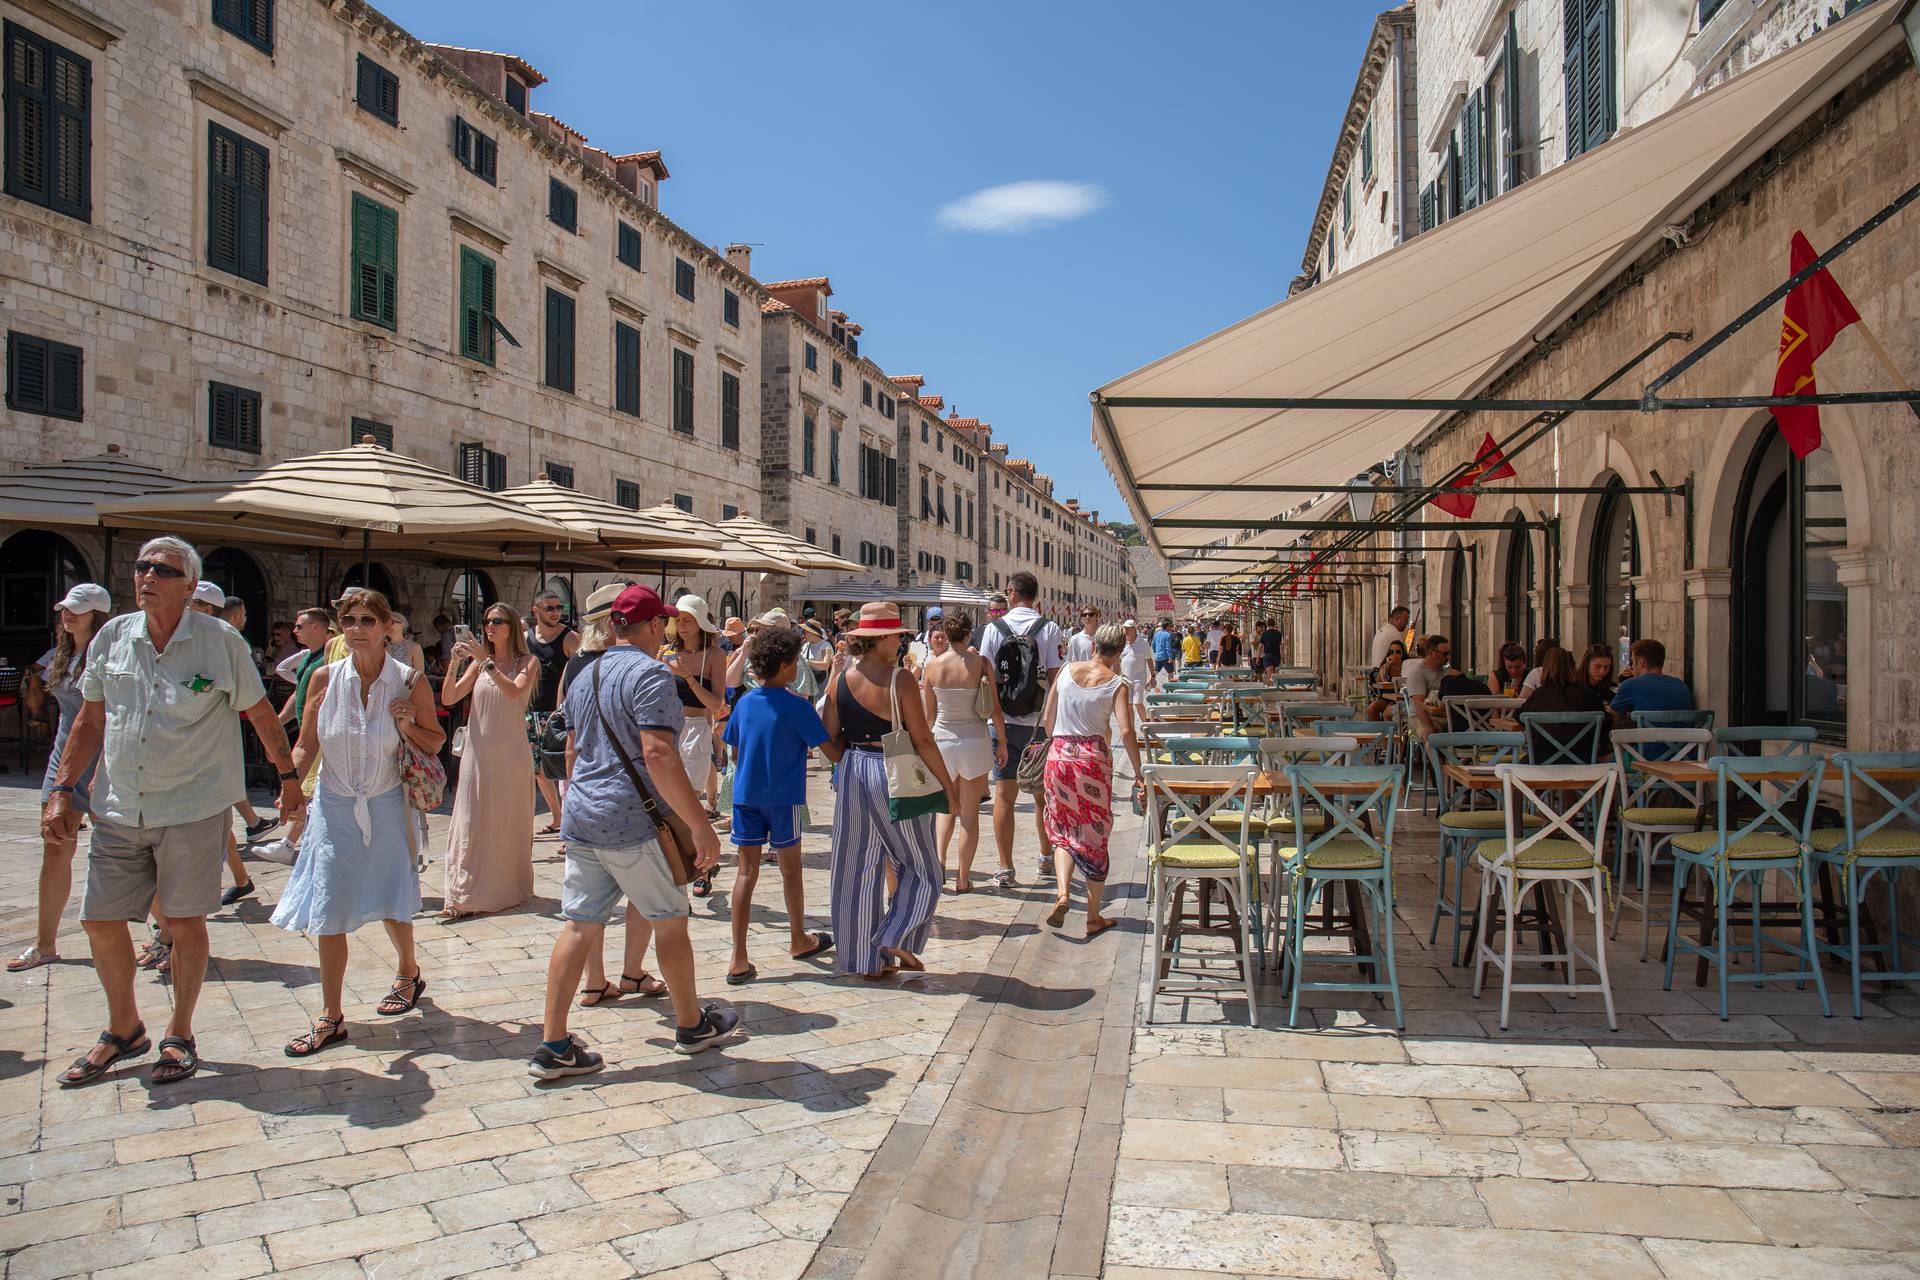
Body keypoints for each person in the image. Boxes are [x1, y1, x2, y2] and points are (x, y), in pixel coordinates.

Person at [45, 537, 304, 1087]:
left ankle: (179, 1032)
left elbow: (260, 713)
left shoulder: (219, 642)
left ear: (190, 587)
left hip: (191, 804)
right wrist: (63, 789)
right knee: (99, 920)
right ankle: (124, 1028)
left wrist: (288, 781)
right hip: (119, 805)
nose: (147, 576)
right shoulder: (113, 637)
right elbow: (91, 720)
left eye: (162, 570)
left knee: (184, 922)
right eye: (142, 567)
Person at [535, 586, 740, 1078]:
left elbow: (577, 746)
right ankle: (691, 1024)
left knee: (579, 923)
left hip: (583, 813)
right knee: (670, 917)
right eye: (663, 624)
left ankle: (554, 1043)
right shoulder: (651, 675)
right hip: (633, 819)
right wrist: (699, 825)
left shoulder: (587, 673)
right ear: (652, 627)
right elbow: (659, 755)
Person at [273, 588, 444, 1057]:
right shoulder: (324, 679)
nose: (357, 629)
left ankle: (408, 971)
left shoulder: (409, 681)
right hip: (334, 805)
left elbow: (435, 740)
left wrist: (408, 725)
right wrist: (292, 783)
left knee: (391, 896)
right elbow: (307, 742)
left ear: (387, 627)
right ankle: (330, 1016)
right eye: (349, 620)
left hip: (387, 802)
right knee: (330, 907)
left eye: (368, 620)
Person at [822, 603, 955, 979]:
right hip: (893, 770)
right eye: (896, 635)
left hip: (852, 770)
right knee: (922, 865)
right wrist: (948, 787)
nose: (900, 641)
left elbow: (828, 736)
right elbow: (923, 740)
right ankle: (896, 935)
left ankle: (865, 961)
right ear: (880, 639)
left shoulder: (840, 680)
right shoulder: (900, 680)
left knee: (855, 867)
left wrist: (848, 762)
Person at [722, 625, 836, 983]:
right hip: (783, 797)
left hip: (745, 797)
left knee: (745, 873)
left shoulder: (743, 703)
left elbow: (735, 749)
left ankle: (738, 958)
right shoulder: (797, 706)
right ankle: (798, 938)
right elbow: (830, 750)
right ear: (788, 666)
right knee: (791, 870)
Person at [10, 584, 111, 972]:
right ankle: (45, 943)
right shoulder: (62, 654)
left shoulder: (106, 654)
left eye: (78, 610)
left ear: (96, 616)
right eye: (66, 609)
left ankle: (166, 934)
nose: (68, 616)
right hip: (63, 760)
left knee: (119, 853)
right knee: (55, 847)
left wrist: (103, 768)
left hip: (100, 762)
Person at [1041, 623, 1142, 938]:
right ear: (1120, 652)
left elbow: (1047, 718)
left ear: (1094, 644)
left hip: (1058, 755)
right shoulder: (1117, 684)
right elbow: (1126, 732)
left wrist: (1060, 744)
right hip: (1092, 761)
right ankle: (1094, 916)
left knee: (1062, 830)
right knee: (1094, 833)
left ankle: (1063, 893)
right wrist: (1138, 772)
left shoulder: (1067, 672)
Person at [440, 602, 537, 918]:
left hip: (511, 753)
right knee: (472, 818)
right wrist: (456, 664)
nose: (490, 626)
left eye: (497, 621)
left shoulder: (528, 661)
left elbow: (514, 692)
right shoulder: (480, 663)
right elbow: (449, 697)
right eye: (486, 621)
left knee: (506, 820)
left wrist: (486, 664)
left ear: (511, 626)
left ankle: (505, 888)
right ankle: (462, 893)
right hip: (477, 752)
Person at [978, 571, 1064, 888]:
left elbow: (987, 681)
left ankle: (1006, 867)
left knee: (1004, 796)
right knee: (1042, 796)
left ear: (1012, 593)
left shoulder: (992, 630)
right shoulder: (1049, 628)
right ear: (1035, 597)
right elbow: (1056, 679)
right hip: (1039, 725)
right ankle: (1045, 858)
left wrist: (997, 730)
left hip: (1002, 724)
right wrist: (1052, 726)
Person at [923, 608, 1006, 893]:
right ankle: (963, 878)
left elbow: (929, 716)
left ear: (946, 634)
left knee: (945, 809)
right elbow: (994, 708)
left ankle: (940, 863)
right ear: (969, 633)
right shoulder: (981, 664)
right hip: (974, 740)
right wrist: (1003, 743)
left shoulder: (932, 666)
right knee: (969, 816)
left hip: (943, 740)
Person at [663, 595, 728, 893]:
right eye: (678, 620)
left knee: (689, 800)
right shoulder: (664, 653)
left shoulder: (714, 656)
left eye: (688, 620)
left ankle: (701, 863)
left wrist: (687, 676)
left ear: (701, 623)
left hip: (697, 728)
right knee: (672, 803)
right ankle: (693, 864)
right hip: (667, 731)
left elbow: (716, 703)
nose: (682, 626)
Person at [525, 589, 580, 836]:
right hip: (530, 712)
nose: (556, 612)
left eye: (559, 608)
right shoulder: (526, 638)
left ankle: (570, 824)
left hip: (558, 713)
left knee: (564, 770)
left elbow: (578, 675)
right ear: (536, 610)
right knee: (539, 770)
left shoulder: (570, 639)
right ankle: (557, 817)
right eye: (550, 608)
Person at [1610, 638, 1693, 726]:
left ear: (1641, 663)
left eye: (1633, 662)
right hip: (1683, 739)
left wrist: (1639, 718)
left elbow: (1614, 718)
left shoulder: (1631, 685)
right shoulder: (1681, 685)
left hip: (1648, 739)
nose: (1632, 666)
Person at [1404, 633, 1451, 738]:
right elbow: (1419, 705)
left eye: (1449, 653)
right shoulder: (1417, 674)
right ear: (1431, 653)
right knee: (1430, 736)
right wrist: (1428, 727)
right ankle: (1432, 754)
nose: (1448, 657)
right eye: (1445, 654)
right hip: (1420, 716)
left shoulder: (1446, 672)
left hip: (1444, 715)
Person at [1118, 618, 1156, 727]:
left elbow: (1149, 659)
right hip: (1125, 678)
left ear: (1134, 629)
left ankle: (1148, 727)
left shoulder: (1143, 642)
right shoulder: (1122, 643)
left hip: (1139, 677)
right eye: (1125, 628)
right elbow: (1118, 660)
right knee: (1129, 705)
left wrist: (1152, 676)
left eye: (1128, 628)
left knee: (1138, 703)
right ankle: (1132, 731)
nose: (1126, 631)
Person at [1364, 640, 1407, 720]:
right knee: (1371, 710)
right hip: (1386, 697)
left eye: (1398, 652)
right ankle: (1381, 730)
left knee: (1388, 711)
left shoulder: (1406, 665)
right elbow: (1378, 682)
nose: (1394, 655)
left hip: (1400, 697)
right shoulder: (1386, 666)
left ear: (1402, 653)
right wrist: (1386, 667)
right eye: (1391, 652)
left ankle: (1391, 731)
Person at [387, 612, 426, 679]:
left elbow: (420, 676)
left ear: (402, 625)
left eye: (392, 622)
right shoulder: (380, 646)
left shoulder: (414, 647)